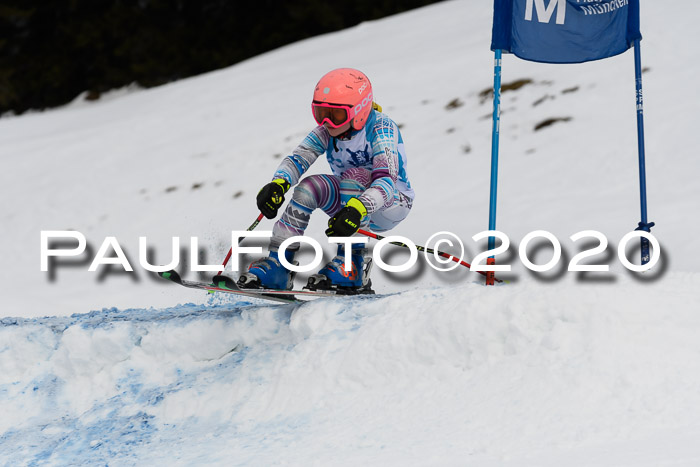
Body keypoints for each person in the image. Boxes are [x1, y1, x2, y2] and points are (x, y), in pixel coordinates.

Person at [238, 68, 414, 293]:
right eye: (321, 113)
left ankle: (351, 266)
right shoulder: (328, 130)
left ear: (359, 111)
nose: (327, 121)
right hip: (350, 205)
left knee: (355, 175)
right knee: (308, 188)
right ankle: (279, 265)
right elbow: (300, 157)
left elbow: (387, 182)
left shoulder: (381, 128)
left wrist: (358, 209)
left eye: (336, 114)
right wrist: (278, 184)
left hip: (391, 203)